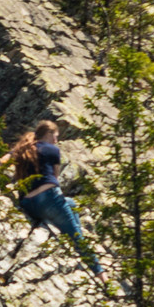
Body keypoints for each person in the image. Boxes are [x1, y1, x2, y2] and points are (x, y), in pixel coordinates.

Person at [10, 117, 101, 273]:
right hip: (48, 199)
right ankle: (101, 275)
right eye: (56, 137)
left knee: (71, 203)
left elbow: (3, 160)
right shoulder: (52, 150)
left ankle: (76, 230)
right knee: (76, 236)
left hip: (28, 204)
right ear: (50, 134)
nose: (56, 141)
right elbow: (56, 177)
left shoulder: (25, 148)